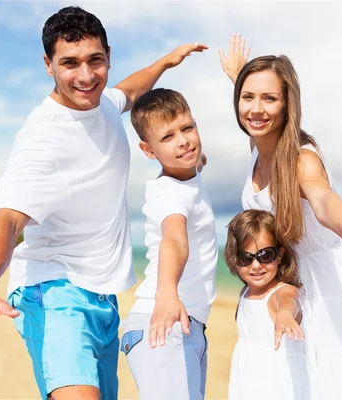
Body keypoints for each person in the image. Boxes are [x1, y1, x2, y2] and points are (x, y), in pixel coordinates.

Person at [0, 6, 206, 400]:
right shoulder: (41, 141)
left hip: (104, 299)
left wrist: (167, 61)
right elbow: (4, 222)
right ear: (48, 64)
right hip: (54, 292)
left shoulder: (101, 102)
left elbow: (132, 89)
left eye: (95, 60)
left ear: (107, 55)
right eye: (70, 63)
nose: (86, 76)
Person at [220, 35, 342, 399]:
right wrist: (238, 77)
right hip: (290, 279)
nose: (256, 109)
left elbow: (324, 200)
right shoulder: (256, 145)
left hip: (328, 287)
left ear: (287, 105)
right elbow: (255, 112)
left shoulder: (300, 159)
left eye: (270, 98)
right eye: (248, 96)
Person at [120, 88, 217, 400]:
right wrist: (167, 294)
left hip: (186, 325)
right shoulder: (171, 193)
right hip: (164, 320)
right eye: (168, 137)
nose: (183, 141)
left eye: (187, 129)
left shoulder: (188, 175)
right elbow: (174, 241)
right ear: (148, 151)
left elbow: (197, 159)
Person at [224, 209, 309, 400]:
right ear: (234, 259)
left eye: (265, 255)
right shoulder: (245, 293)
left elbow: (290, 301)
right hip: (247, 382)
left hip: (276, 386)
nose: (256, 265)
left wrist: (285, 316)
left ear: (279, 255)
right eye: (245, 258)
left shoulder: (281, 291)